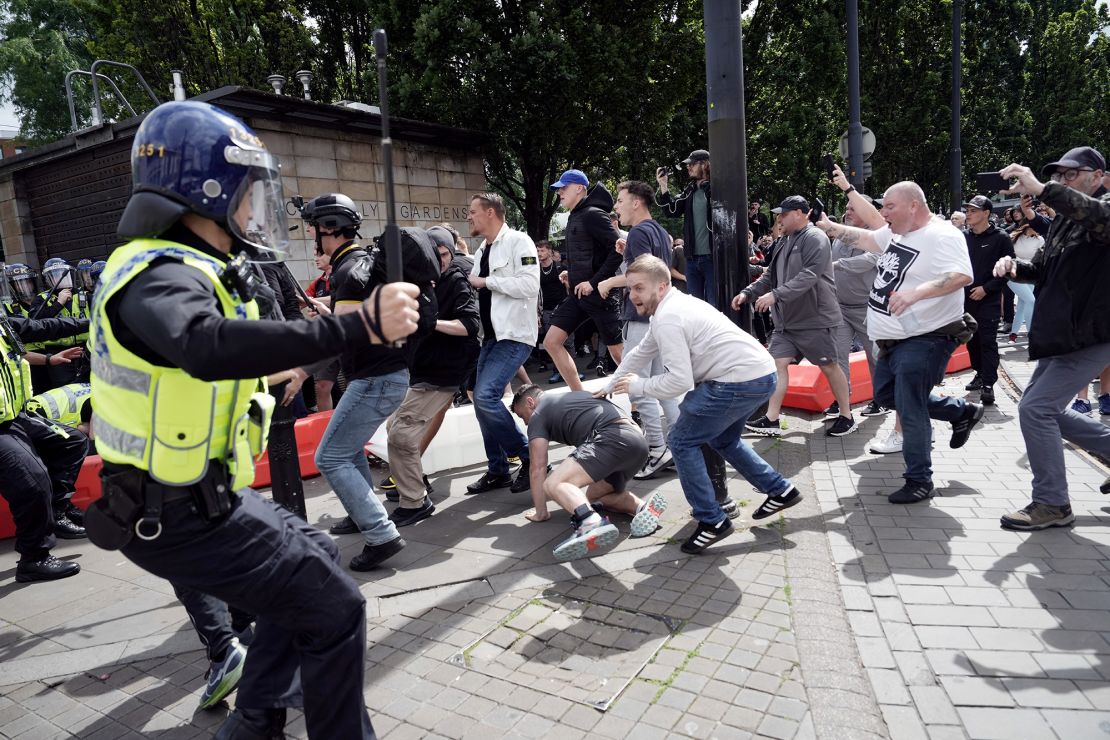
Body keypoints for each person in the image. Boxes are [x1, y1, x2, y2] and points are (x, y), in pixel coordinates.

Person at [86, 99, 421, 738]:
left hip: (198, 502)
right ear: (204, 191)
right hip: (177, 514)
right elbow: (203, 345)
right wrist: (359, 323)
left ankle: (257, 721)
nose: (250, 210)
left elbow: (198, 370)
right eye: (245, 194)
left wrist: (289, 367)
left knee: (316, 553)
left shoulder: (183, 269)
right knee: (334, 604)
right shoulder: (158, 274)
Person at [602, 256, 802, 553]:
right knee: (723, 439)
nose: (632, 295)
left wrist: (636, 386)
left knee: (680, 440)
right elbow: (641, 351)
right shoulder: (671, 307)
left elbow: (679, 382)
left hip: (738, 381)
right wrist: (612, 382)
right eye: (630, 288)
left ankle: (712, 521)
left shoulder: (670, 317)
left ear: (662, 286)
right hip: (760, 374)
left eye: (639, 288)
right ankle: (781, 490)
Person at [816, 181, 984, 505]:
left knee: (910, 405)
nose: (883, 213)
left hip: (927, 337)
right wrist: (828, 227)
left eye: (889, 206)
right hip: (893, 339)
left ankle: (920, 480)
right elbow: (864, 238)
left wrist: (915, 294)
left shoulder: (943, 235)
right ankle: (960, 412)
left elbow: (962, 275)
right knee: (886, 395)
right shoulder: (897, 233)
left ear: (913, 206)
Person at [304, 193, 439, 570]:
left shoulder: (348, 272)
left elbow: (348, 334)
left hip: (375, 379)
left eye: (315, 228)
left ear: (328, 229)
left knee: (328, 456)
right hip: (386, 374)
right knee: (346, 450)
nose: (313, 235)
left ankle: (381, 535)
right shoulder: (362, 264)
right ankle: (361, 513)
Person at [991, 146, 1110, 530]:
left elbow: (1097, 217)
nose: (1062, 180)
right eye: (1059, 176)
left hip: (1091, 334)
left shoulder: (1102, 208)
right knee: (1045, 409)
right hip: (1063, 335)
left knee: (1036, 410)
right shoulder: (1061, 221)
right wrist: (1015, 267)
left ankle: (1052, 503)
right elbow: (1041, 270)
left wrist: (1042, 189)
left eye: (1070, 174)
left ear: (1098, 176)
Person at [735, 196, 857, 438]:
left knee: (829, 366)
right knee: (776, 364)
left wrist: (775, 296)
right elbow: (771, 276)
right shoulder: (784, 241)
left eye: (784, 214)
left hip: (815, 319)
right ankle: (772, 419)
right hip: (787, 323)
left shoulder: (815, 238)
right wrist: (748, 293)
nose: (779, 219)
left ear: (801, 213)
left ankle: (846, 415)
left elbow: (810, 275)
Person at [384, 226, 480, 526]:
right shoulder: (421, 282)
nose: (439, 260)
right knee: (395, 428)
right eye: (434, 254)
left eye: (444, 254)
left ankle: (414, 502)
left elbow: (469, 326)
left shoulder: (456, 281)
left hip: (444, 372)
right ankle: (414, 482)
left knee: (401, 434)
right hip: (422, 371)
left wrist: (432, 321)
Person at [512, 384, 667, 561]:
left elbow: (537, 467)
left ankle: (589, 522)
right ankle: (643, 508)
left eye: (522, 415)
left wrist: (541, 513)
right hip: (637, 443)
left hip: (610, 438)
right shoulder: (574, 397)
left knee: (554, 483)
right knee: (594, 497)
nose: (525, 422)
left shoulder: (538, 414)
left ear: (530, 402)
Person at [0, 309, 90, 582]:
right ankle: (34, 558)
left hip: (13, 416)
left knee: (71, 442)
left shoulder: (3, 324)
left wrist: (96, 318)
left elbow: (45, 327)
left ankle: (59, 511)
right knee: (33, 479)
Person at [598, 180, 677, 479]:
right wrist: (626, 253)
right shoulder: (658, 231)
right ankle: (683, 446)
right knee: (662, 387)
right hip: (657, 316)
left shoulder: (641, 232)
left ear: (636, 202)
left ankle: (657, 449)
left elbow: (640, 276)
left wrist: (607, 282)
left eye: (620, 200)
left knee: (636, 385)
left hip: (642, 316)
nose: (616, 206)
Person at [465, 192, 541, 495]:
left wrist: (487, 282)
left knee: (485, 397)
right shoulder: (483, 248)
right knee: (479, 399)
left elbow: (528, 284)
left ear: (491, 212)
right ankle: (498, 469)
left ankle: (529, 456)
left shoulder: (519, 242)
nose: (469, 216)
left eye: (473, 211)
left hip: (514, 336)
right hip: (492, 338)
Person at [541, 170, 623, 391]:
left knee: (617, 353)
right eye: (558, 189)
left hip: (601, 296)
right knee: (551, 342)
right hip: (577, 295)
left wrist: (593, 282)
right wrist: (571, 272)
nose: (559, 193)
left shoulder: (593, 214)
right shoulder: (574, 215)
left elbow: (618, 252)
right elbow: (586, 253)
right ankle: (580, 397)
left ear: (579, 188)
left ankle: (641, 403)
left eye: (563, 188)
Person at [826, 166, 887, 418]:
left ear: (865, 213)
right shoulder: (840, 236)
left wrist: (836, 265)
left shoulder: (877, 237)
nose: (847, 212)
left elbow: (869, 261)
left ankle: (880, 399)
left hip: (866, 308)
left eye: (853, 209)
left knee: (875, 357)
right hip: (840, 307)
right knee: (839, 356)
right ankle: (843, 402)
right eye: (848, 208)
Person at [960, 194, 1015, 407]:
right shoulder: (963, 237)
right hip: (964, 299)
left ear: (986, 213)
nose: (969, 214)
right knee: (972, 340)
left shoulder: (1001, 238)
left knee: (987, 341)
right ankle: (979, 373)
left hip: (989, 300)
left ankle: (989, 384)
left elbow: (1009, 269)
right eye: (968, 211)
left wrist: (987, 288)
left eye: (974, 211)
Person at [656, 150, 716, 307]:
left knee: (714, 306)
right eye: (687, 164)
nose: (688, 167)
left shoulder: (717, 189)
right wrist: (663, 185)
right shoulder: (690, 190)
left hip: (712, 259)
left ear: (705, 164)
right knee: (694, 307)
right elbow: (671, 211)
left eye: (692, 164)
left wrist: (710, 187)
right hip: (691, 259)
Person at [1007, 221, 1042, 342]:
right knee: (1031, 300)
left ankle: (1013, 333)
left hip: (1030, 275)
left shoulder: (1040, 240)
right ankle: (1031, 334)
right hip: (1014, 274)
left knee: (1023, 303)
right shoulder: (1013, 237)